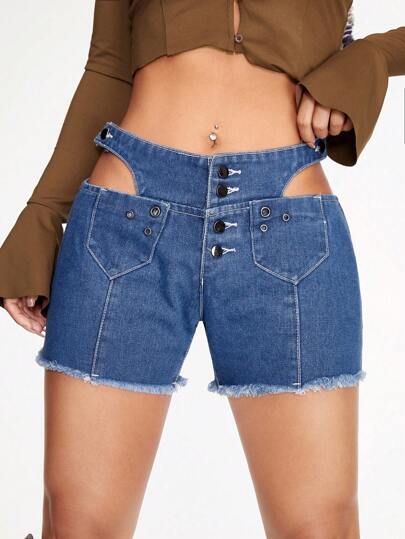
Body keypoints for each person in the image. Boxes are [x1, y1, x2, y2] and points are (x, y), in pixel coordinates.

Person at [1, 1, 404, 537]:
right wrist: (42, 216)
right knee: (78, 525)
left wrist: (374, 55)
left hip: (287, 230)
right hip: (125, 218)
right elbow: (109, 66)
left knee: (320, 526)